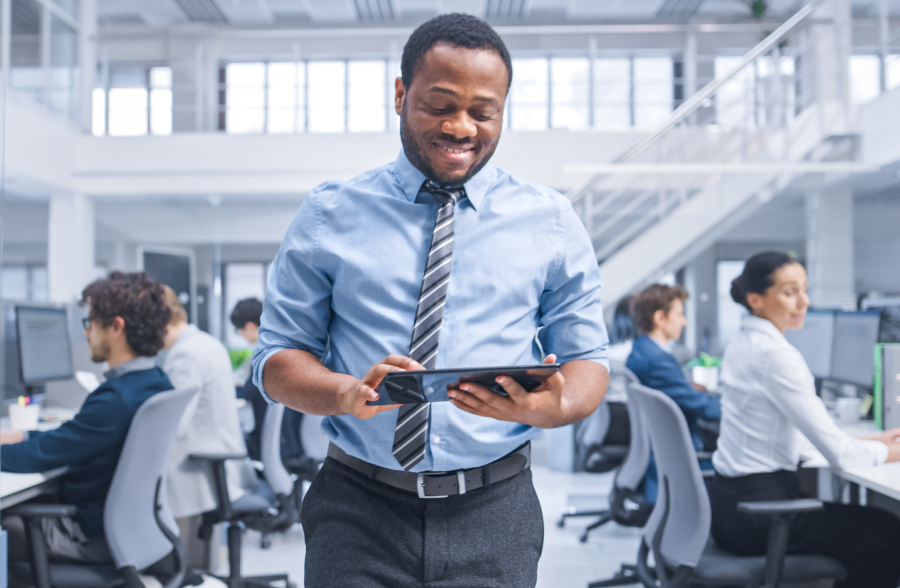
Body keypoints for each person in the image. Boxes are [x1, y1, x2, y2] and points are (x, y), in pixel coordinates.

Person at [252, 13, 609, 587]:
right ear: (400, 95)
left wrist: (557, 409)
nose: (461, 127)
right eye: (440, 105)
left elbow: (588, 356)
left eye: (482, 112)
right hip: (357, 507)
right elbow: (274, 360)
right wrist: (348, 393)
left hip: (496, 508)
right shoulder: (328, 214)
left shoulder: (551, 220)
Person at [710, 251, 900, 588]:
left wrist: (868, 443)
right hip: (762, 517)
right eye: (789, 291)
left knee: (867, 527)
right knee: (886, 531)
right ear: (756, 299)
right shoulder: (776, 354)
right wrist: (892, 452)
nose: (804, 301)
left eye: (804, 289)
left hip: (729, 509)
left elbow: (785, 436)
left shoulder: (743, 342)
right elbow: (840, 458)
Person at [0, 272, 173, 569]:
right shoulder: (155, 381)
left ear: (116, 326)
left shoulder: (115, 399)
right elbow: (73, 436)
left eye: (90, 323)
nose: (86, 333)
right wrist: (24, 436)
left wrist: (24, 445)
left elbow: (36, 459)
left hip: (88, 536)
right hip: (132, 531)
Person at [160, 286, 255, 570]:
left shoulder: (185, 355)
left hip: (204, 472)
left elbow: (173, 426)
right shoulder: (207, 343)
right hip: (222, 464)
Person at [627, 283, 720, 501]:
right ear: (660, 319)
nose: (684, 321)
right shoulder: (659, 360)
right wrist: (739, 406)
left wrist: (687, 388)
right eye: (679, 314)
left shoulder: (643, 349)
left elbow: (676, 392)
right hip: (679, 453)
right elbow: (701, 407)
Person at [231, 297, 303, 463]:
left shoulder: (265, 352)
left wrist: (225, 389)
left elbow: (249, 391)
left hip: (276, 441)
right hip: (290, 440)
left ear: (249, 326)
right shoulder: (281, 343)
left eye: (238, 330)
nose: (240, 335)